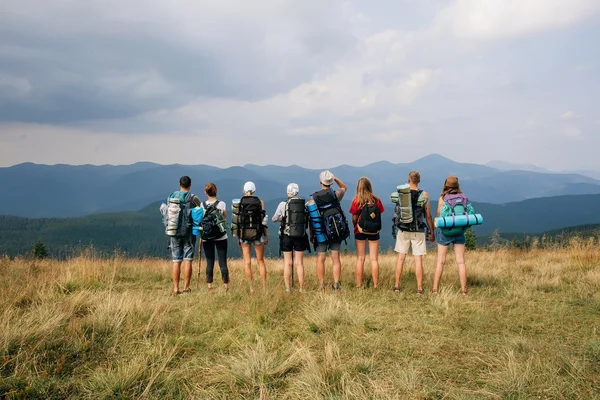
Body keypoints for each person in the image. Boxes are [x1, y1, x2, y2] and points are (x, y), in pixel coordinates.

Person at [393, 171, 435, 294]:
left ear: (408, 179)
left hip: (403, 229)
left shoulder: (401, 194)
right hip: (418, 230)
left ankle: (396, 286)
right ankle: (420, 288)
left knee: (400, 258)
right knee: (418, 260)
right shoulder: (424, 195)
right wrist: (431, 232)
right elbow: (428, 215)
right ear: (419, 181)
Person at [160, 176, 202, 296]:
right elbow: (201, 213)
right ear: (190, 184)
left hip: (174, 231)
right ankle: (186, 289)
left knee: (176, 261)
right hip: (188, 232)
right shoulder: (193, 198)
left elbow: (166, 213)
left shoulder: (171, 197)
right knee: (188, 260)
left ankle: (175, 289)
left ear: (179, 184)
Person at [311, 170, 348, 291]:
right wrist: (335, 178)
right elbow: (344, 187)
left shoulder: (314, 197)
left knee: (321, 258)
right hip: (336, 230)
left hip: (321, 231)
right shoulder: (336, 194)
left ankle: (322, 285)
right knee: (335, 258)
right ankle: (336, 284)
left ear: (320, 181)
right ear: (331, 182)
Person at [432, 176, 469, 295]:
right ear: (457, 185)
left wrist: (433, 230)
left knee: (441, 261)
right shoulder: (463, 198)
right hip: (459, 231)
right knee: (461, 261)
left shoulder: (443, 198)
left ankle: (435, 289)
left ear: (446, 185)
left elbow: (438, 215)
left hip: (445, 232)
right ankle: (463, 290)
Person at [349, 177, 384, 288]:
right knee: (374, 259)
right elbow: (379, 214)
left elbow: (354, 218)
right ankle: (375, 285)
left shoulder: (356, 201)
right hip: (374, 231)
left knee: (360, 258)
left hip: (360, 231)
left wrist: (356, 226)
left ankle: (359, 285)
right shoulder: (376, 200)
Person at [272, 183, 307, 292]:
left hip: (286, 236)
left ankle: (288, 288)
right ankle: (301, 288)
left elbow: (274, 218)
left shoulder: (283, 204)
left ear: (288, 192)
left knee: (287, 263)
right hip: (300, 236)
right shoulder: (303, 205)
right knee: (299, 263)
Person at [238, 181, 269, 291]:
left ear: (244, 191)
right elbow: (263, 220)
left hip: (244, 234)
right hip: (258, 233)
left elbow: (237, 221)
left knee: (247, 262)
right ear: (254, 190)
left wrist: (239, 236)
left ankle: (251, 288)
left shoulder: (240, 202)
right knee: (260, 261)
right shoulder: (260, 202)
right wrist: (266, 236)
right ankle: (264, 288)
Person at [200, 182, 229, 291]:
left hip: (207, 237)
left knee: (209, 261)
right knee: (222, 262)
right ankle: (226, 285)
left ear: (205, 193)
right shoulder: (222, 204)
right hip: (221, 236)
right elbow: (224, 219)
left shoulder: (202, 205)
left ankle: (209, 286)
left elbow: (200, 221)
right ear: (216, 191)